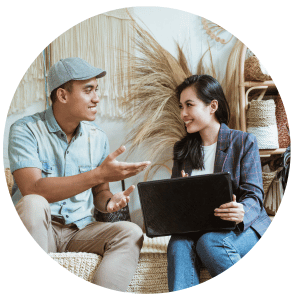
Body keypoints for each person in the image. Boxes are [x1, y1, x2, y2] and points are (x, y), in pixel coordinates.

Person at [8, 57, 151, 292]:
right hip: (40, 227)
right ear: (63, 95)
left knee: (131, 231)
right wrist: (98, 174)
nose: (96, 98)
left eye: (96, 90)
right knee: (33, 203)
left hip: (81, 230)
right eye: (88, 90)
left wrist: (109, 202)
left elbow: (100, 192)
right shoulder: (25, 130)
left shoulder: (98, 138)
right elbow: (32, 189)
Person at [167, 74, 271, 291]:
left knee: (209, 242)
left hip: (242, 226)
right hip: (197, 228)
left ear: (212, 106)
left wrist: (241, 210)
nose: (182, 114)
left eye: (189, 105)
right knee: (178, 244)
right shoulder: (182, 150)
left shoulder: (243, 141)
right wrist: (178, 197)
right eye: (180, 106)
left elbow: (254, 194)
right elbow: (176, 205)